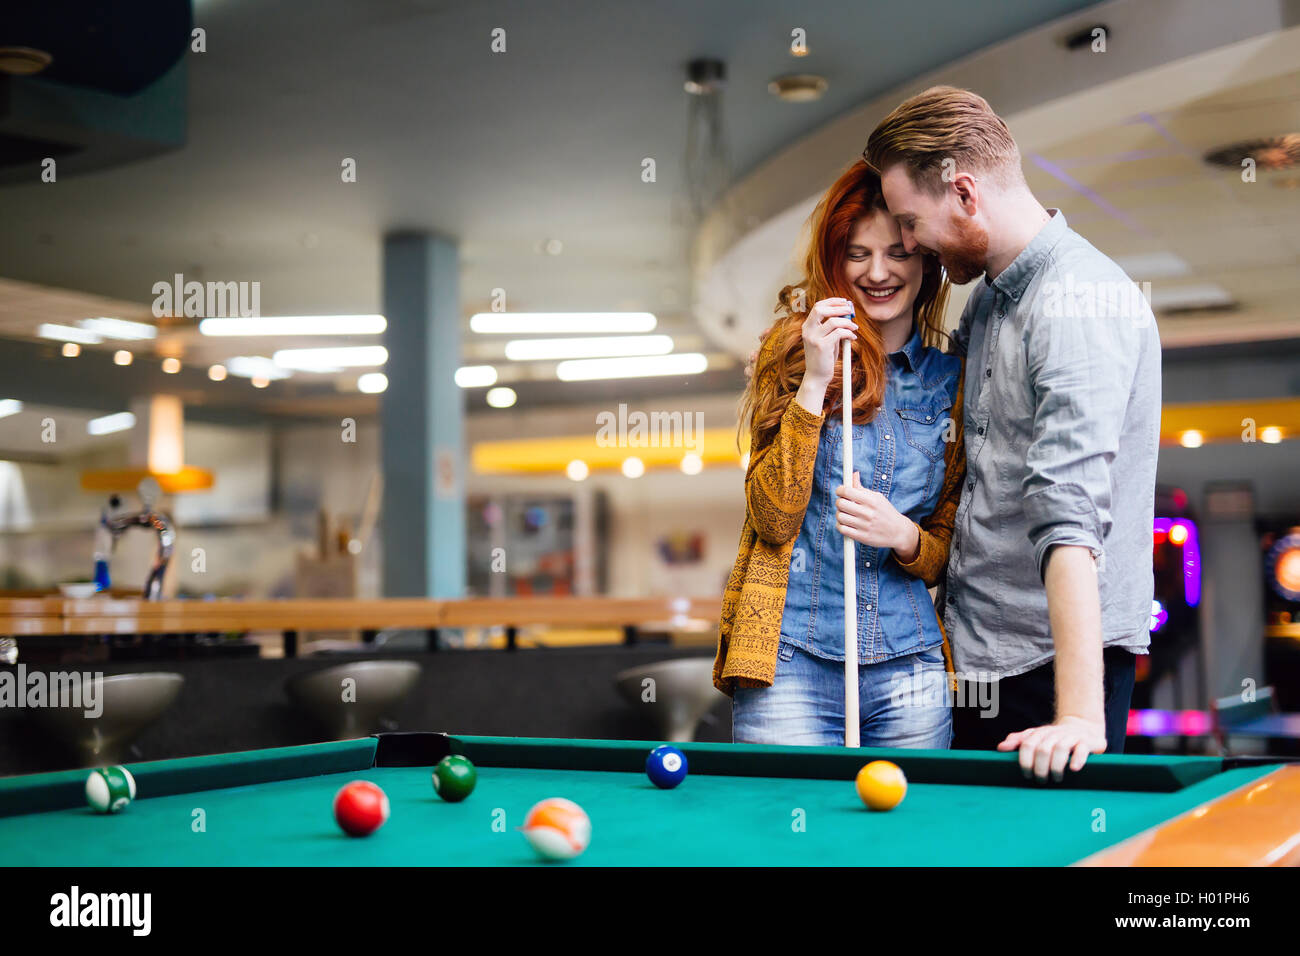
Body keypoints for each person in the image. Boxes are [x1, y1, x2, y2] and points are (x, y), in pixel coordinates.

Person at [864, 86, 1161, 779]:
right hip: (977, 655)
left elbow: (1070, 516)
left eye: (910, 222)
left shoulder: (1078, 303)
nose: (906, 244)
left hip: (1050, 668)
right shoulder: (991, 298)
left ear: (965, 192)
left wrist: (1080, 716)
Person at [713, 159, 965, 748]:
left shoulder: (950, 381)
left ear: (925, 260)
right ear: (834, 261)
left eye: (897, 253)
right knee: (784, 833)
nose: (878, 272)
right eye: (857, 253)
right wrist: (812, 383)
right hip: (788, 661)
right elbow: (772, 517)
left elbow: (949, 545)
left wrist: (904, 535)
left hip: (909, 667)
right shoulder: (792, 353)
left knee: (903, 838)